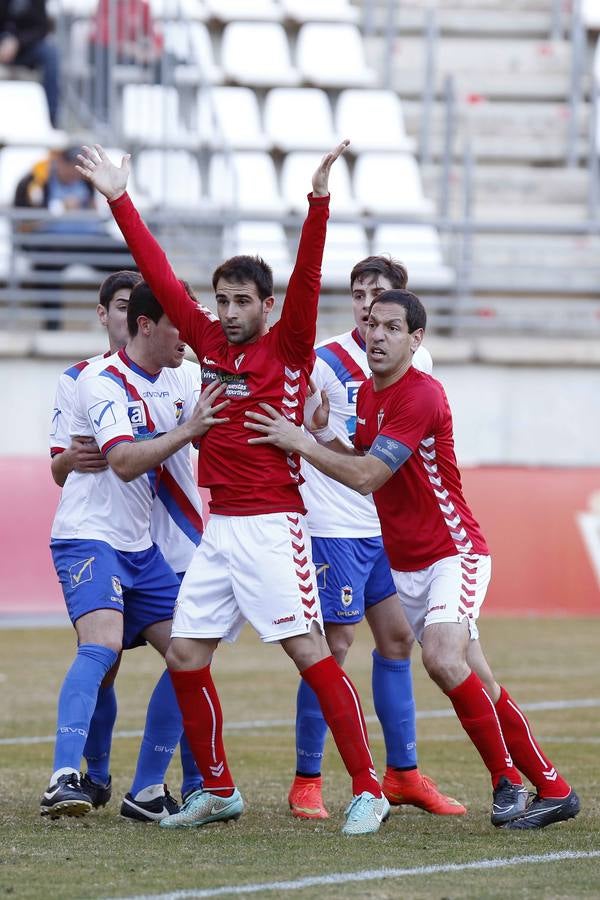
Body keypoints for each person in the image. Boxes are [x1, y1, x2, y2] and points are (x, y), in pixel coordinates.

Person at [77, 140, 390, 836]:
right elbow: (156, 270)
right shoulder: (208, 345)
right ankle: (218, 789)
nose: (225, 311)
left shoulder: (287, 345)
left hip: (275, 526)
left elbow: (309, 274)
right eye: (220, 300)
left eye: (240, 301)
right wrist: (119, 198)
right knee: (187, 656)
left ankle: (368, 788)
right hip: (220, 532)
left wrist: (317, 200)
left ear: (267, 306)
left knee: (310, 654)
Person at [245, 288, 581, 831]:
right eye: (373, 323)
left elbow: (368, 477)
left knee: (442, 659)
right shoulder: (370, 398)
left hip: (454, 553)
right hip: (409, 566)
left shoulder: (420, 394)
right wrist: (324, 431)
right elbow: (364, 462)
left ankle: (507, 783)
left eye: (393, 327)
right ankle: (553, 787)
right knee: (480, 681)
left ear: (415, 338)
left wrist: (299, 442)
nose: (378, 335)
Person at [41, 280, 229, 819]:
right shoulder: (97, 381)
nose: (188, 335)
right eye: (179, 323)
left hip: (142, 543)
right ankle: (65, 776)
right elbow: (122, 463)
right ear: (143, 324)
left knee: (189, 654)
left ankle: (146, 790)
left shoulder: (185, 373)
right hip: (89, 535)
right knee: (101, 650)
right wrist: (191, 428)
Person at [289, 255, 465, 821]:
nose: (368, 303)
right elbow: (295, 426)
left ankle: (404, 775)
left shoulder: (419, 362)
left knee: (395, 642)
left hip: (383, 527)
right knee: (333, 647)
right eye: (360, 292)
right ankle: (307, 780)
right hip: (334, 527)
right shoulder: (323, 360)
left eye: (379, 293)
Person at [14, 147, 129, 330]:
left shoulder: (86, 180)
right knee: (46, 263)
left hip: (88, 239)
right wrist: (58, 209)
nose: (73, 173)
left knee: (128, 256)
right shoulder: (35, 180)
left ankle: (127, 320)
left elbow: (98, 214)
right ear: (59, 161)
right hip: (51, 242)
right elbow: (22, 223)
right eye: (70, 167)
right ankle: (53, 325)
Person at [88, 0, 164, 124]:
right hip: (108, 52)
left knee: (162, 61)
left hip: (133, 54)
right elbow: (104, 37)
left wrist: (151, 52)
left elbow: (155, 36)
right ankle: (102, 115)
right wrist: (129, 48)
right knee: (104, 55)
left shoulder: (142, 6)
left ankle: (157, 114)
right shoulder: (106, 4)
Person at [0, 0, 60, 126]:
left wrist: (18, 42)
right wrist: (5, 41)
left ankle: (51, 119)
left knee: (51, 53)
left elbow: (41, 28)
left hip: (26, 48)